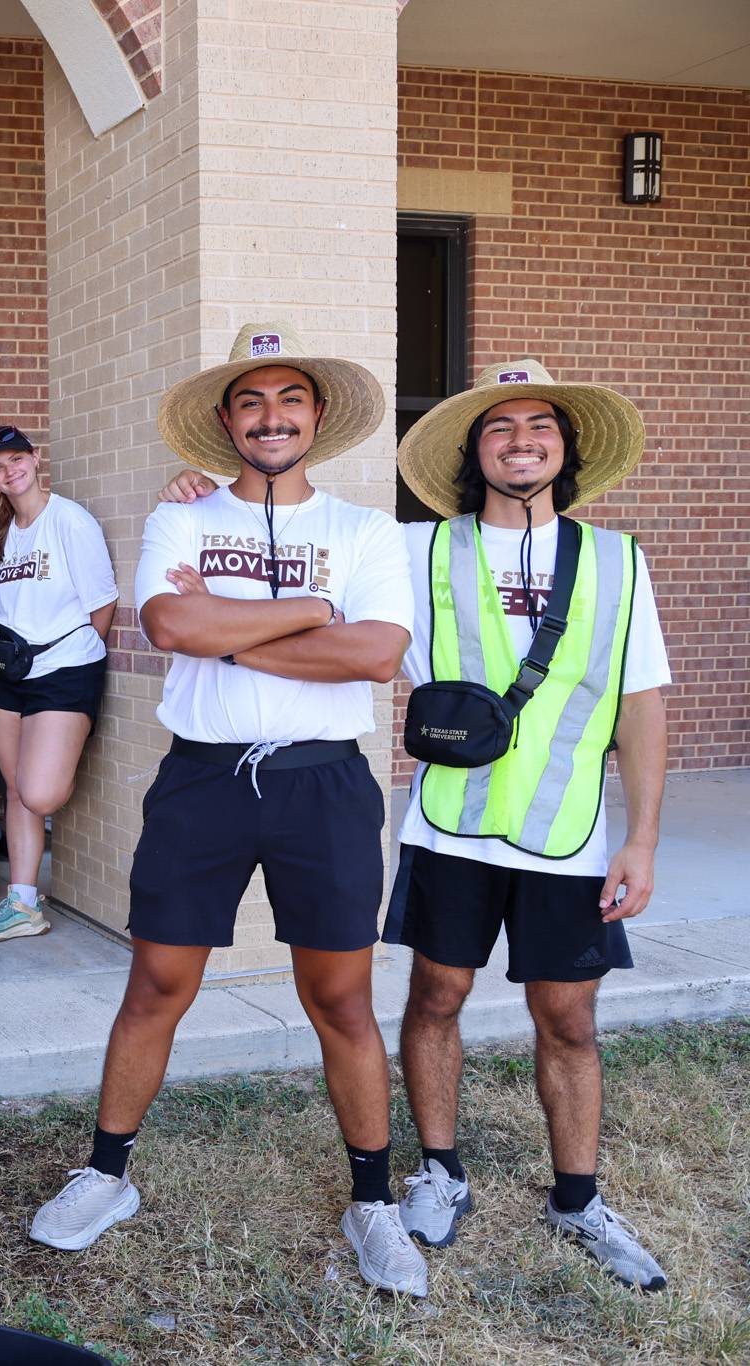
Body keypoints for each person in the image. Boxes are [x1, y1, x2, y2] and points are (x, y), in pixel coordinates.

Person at [29, 324, 428, 1295]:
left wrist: (231, 630)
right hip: (202, 778)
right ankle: (106, 1174)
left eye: (288, 400)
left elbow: (377, 655)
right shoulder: (182, 516)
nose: (270, 418)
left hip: (324, 782)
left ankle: (372, 1201)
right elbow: (169, 623)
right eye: (250, 402)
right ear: (225, 420)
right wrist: (313, 613)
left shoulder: (364, 529)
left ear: (316, 416)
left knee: (339, 999)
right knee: (156, 983)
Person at [388, 362, 670, 1289]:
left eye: (540, 424)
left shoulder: (620, 561)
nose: (521, 440)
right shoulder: (416, 548)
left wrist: (641, 840)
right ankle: (440, 1171)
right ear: (474, 452)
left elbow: (641, 704)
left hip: (568, 832)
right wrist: (201, 494)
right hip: (450, 827)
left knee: (569, 1018)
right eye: (499, 426)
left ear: (565, 447)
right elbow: (307, 539)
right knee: (436, 996)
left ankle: (578, 1198)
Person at [0, 424, 118, 943]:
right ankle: (23, 903)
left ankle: (25, 898)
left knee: (41, 792)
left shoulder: (69, 521)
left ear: (35, 457)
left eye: (16, 459)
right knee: (16, 789)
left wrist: (74, 657)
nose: (10, 471)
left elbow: (102, 604)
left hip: (64, 670)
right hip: (6, 675)